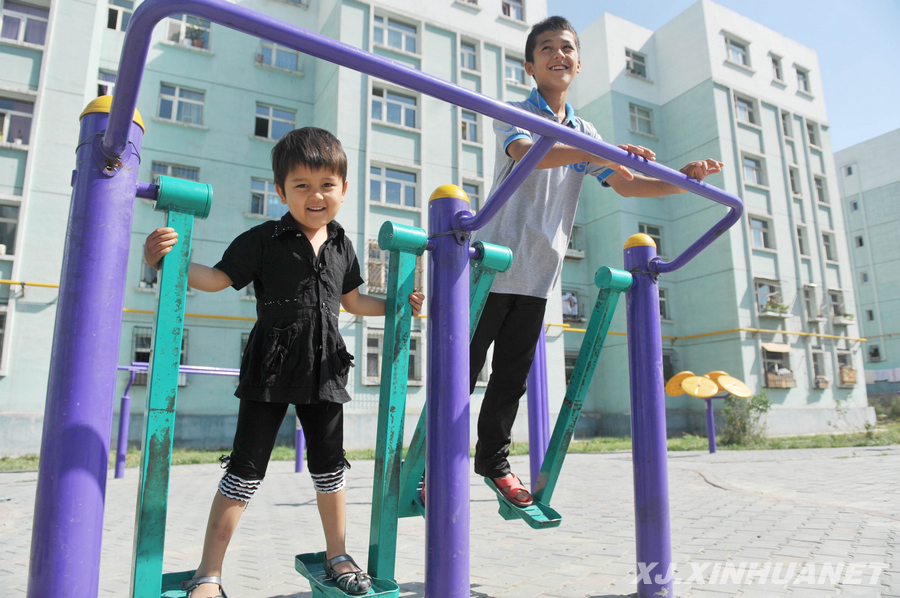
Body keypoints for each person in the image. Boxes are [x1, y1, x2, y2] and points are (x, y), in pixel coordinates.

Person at [144, 127, 424, 598]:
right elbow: (216, 279)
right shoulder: (263, 239)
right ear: (281, 191)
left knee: (329, 467)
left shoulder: (342, 246)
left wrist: (400, 302)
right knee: (245, 470)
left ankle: (338, 555)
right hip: (271, 366)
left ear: (343, 188)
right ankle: (208, 574)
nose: (316, 196)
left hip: (325, 366)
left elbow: (353, 302)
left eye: (326, 185)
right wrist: (166, 263)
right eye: (302, 186)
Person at [470, 16, 724, 507]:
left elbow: (629, 181)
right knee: (461, 372)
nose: (558, 55)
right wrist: (591, 149)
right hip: (489, 269)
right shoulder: (517, 112)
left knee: (509, 383)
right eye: (546, 48)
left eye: (567, 48)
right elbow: (527, 152)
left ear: (579, 62)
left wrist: (683, 178)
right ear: (530, 65)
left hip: (537, 277)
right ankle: (427, 465)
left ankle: (493, 462)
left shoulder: (584, 130)